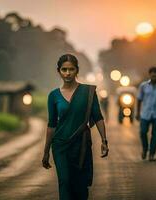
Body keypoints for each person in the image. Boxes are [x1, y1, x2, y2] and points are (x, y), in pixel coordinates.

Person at [42, 54, 109, 200]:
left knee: (80, 185)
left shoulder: (88, 92)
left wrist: (104, 141)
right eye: (64, 69)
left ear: (77, 70)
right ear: (58, 71)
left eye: (71, 69)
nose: (67, 73)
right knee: (65, 182)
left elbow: (98, 117)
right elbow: (51, 125)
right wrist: (46, 151)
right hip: (60, 146)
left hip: (81, 145)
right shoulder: (53, 96)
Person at [136, 66, 156, 162]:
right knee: (142, 132)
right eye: (152, 73)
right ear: (149, 74)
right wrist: (137, 113)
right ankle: (145, 149)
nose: (154, 74)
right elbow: (139, 100)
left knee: (155, 135)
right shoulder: (143, 86)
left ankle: (152, 154)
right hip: (145, 114)